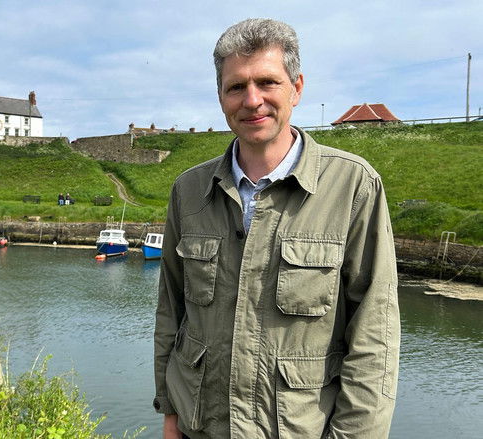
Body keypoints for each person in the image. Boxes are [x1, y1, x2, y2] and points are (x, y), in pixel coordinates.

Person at [153, 18, 399, 438]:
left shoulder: (353, 186)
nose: (252, 100)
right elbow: (170, 313)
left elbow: (375, 337)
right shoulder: (188, 191)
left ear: (296, 88)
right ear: (220, 96)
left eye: (267, 82)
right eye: (236, 86)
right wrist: (170, 411)